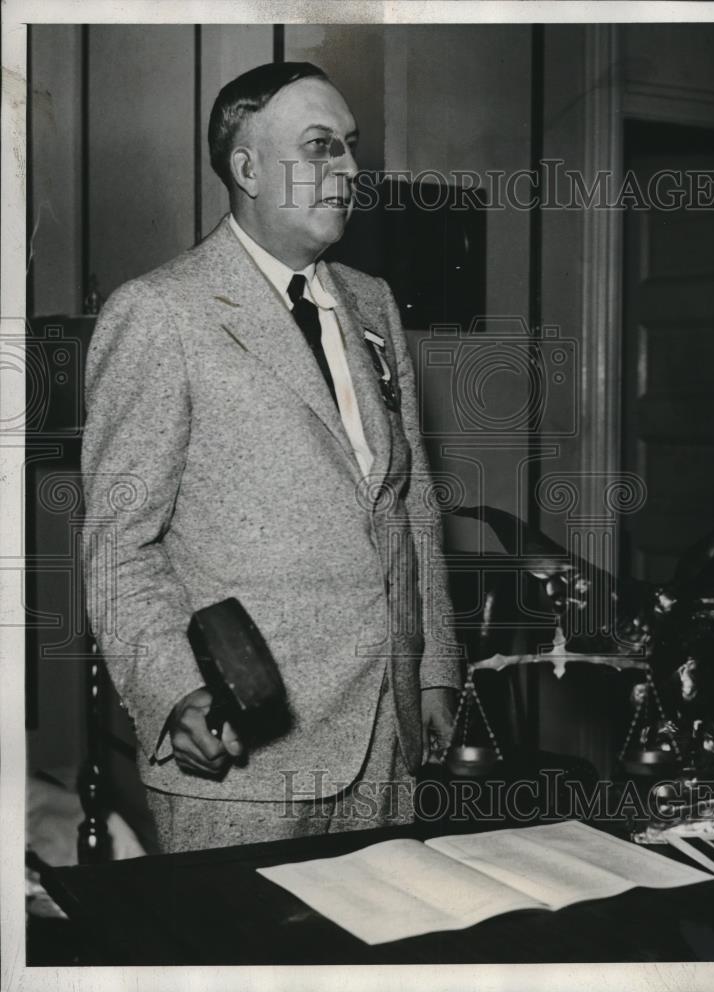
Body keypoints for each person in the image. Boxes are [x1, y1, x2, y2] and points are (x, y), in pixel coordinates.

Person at [81, 62, 462, 853]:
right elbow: (121, 544)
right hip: (244, 752)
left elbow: (408, 500)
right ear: (246, 167)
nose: (351, 171)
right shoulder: (159, 312)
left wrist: (431, 673)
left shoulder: (371, 301)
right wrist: (175, 694)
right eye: (320, 147)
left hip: (385, 735)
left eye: (350, 148)